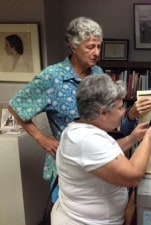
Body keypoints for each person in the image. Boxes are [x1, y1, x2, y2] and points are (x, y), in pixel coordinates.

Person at [9, 16, 106, 202]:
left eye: (98, 46)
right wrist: (41, 138)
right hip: (67, 167)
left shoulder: (99, 74)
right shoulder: (52, 77)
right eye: (90, 47)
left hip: (96, 160)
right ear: (73, 46)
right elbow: (16, 106)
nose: (96, 52)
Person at [51, 74, 151, 225]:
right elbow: (133, 176)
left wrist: (133, 138)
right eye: (120, 107)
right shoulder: (87, 140)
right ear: (103, 113)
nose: (124, 112)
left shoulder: (77, 129)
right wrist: (148, 139)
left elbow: (106, 156)